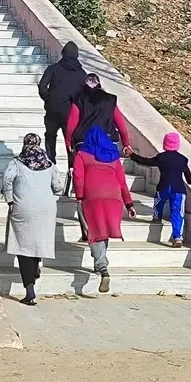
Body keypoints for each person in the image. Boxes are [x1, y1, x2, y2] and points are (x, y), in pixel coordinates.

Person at [1, 133, 64, 306]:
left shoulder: (16, 163)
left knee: (23, 247)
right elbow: (59, 186)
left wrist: (9, 199)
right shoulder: (49, 164)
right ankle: (35, 269)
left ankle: (30, 292)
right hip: (46, 208)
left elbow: (7, 180)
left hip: (23, 207)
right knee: (37, 241)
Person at [73, 125, 136, 293]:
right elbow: (122, 183)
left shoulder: (82, 155)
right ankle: (99, 263)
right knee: (103, 229)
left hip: (92, 197)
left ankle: (102, 268)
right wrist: (129, 204)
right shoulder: (114, 157)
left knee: (94, 232)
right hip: (114, 197)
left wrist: (79, 196)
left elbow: (78, 177)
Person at [128, 132, 191, 247]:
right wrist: (190, 181)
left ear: (165, 144)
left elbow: (146, 161)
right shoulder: (183, 159)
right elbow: (189, 178)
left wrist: (132, 155)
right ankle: (177, 237)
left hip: (164, 186)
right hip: (179, 189)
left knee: (159, 202)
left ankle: (157, 217)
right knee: (177, 213)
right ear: (177, 144)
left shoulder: (161, 157)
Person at [37, 41, 87, 174]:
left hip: (53, 110)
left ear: (63, 54)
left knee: (50, 136)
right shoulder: (82, 74)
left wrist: (48, 99)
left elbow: (42, 86)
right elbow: (85, 94)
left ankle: (50, 164)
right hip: (71, 114)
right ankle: (72, 169)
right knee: (70, 141)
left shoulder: (53, 69)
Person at [65, 73, 133, 157]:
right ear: (99, 85)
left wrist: (68, 141)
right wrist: (126, 144)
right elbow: (121, 124)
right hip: (108, 140)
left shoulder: (79, 99)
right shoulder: (110, 100)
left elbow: (72, 124)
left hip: (84, 140)